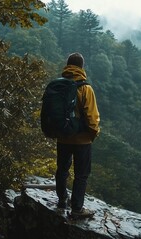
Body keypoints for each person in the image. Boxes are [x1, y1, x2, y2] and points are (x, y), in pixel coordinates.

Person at [55, 52, 100, 219]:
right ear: (82, 67)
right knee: (81, 174)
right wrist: (93, 134)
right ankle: (77, 209)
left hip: (62, 136)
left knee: (62, 169)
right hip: (82, 140)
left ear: (67, 65)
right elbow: (92, 117)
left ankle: (61, 200)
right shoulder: (85, 88)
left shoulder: (59, 86)